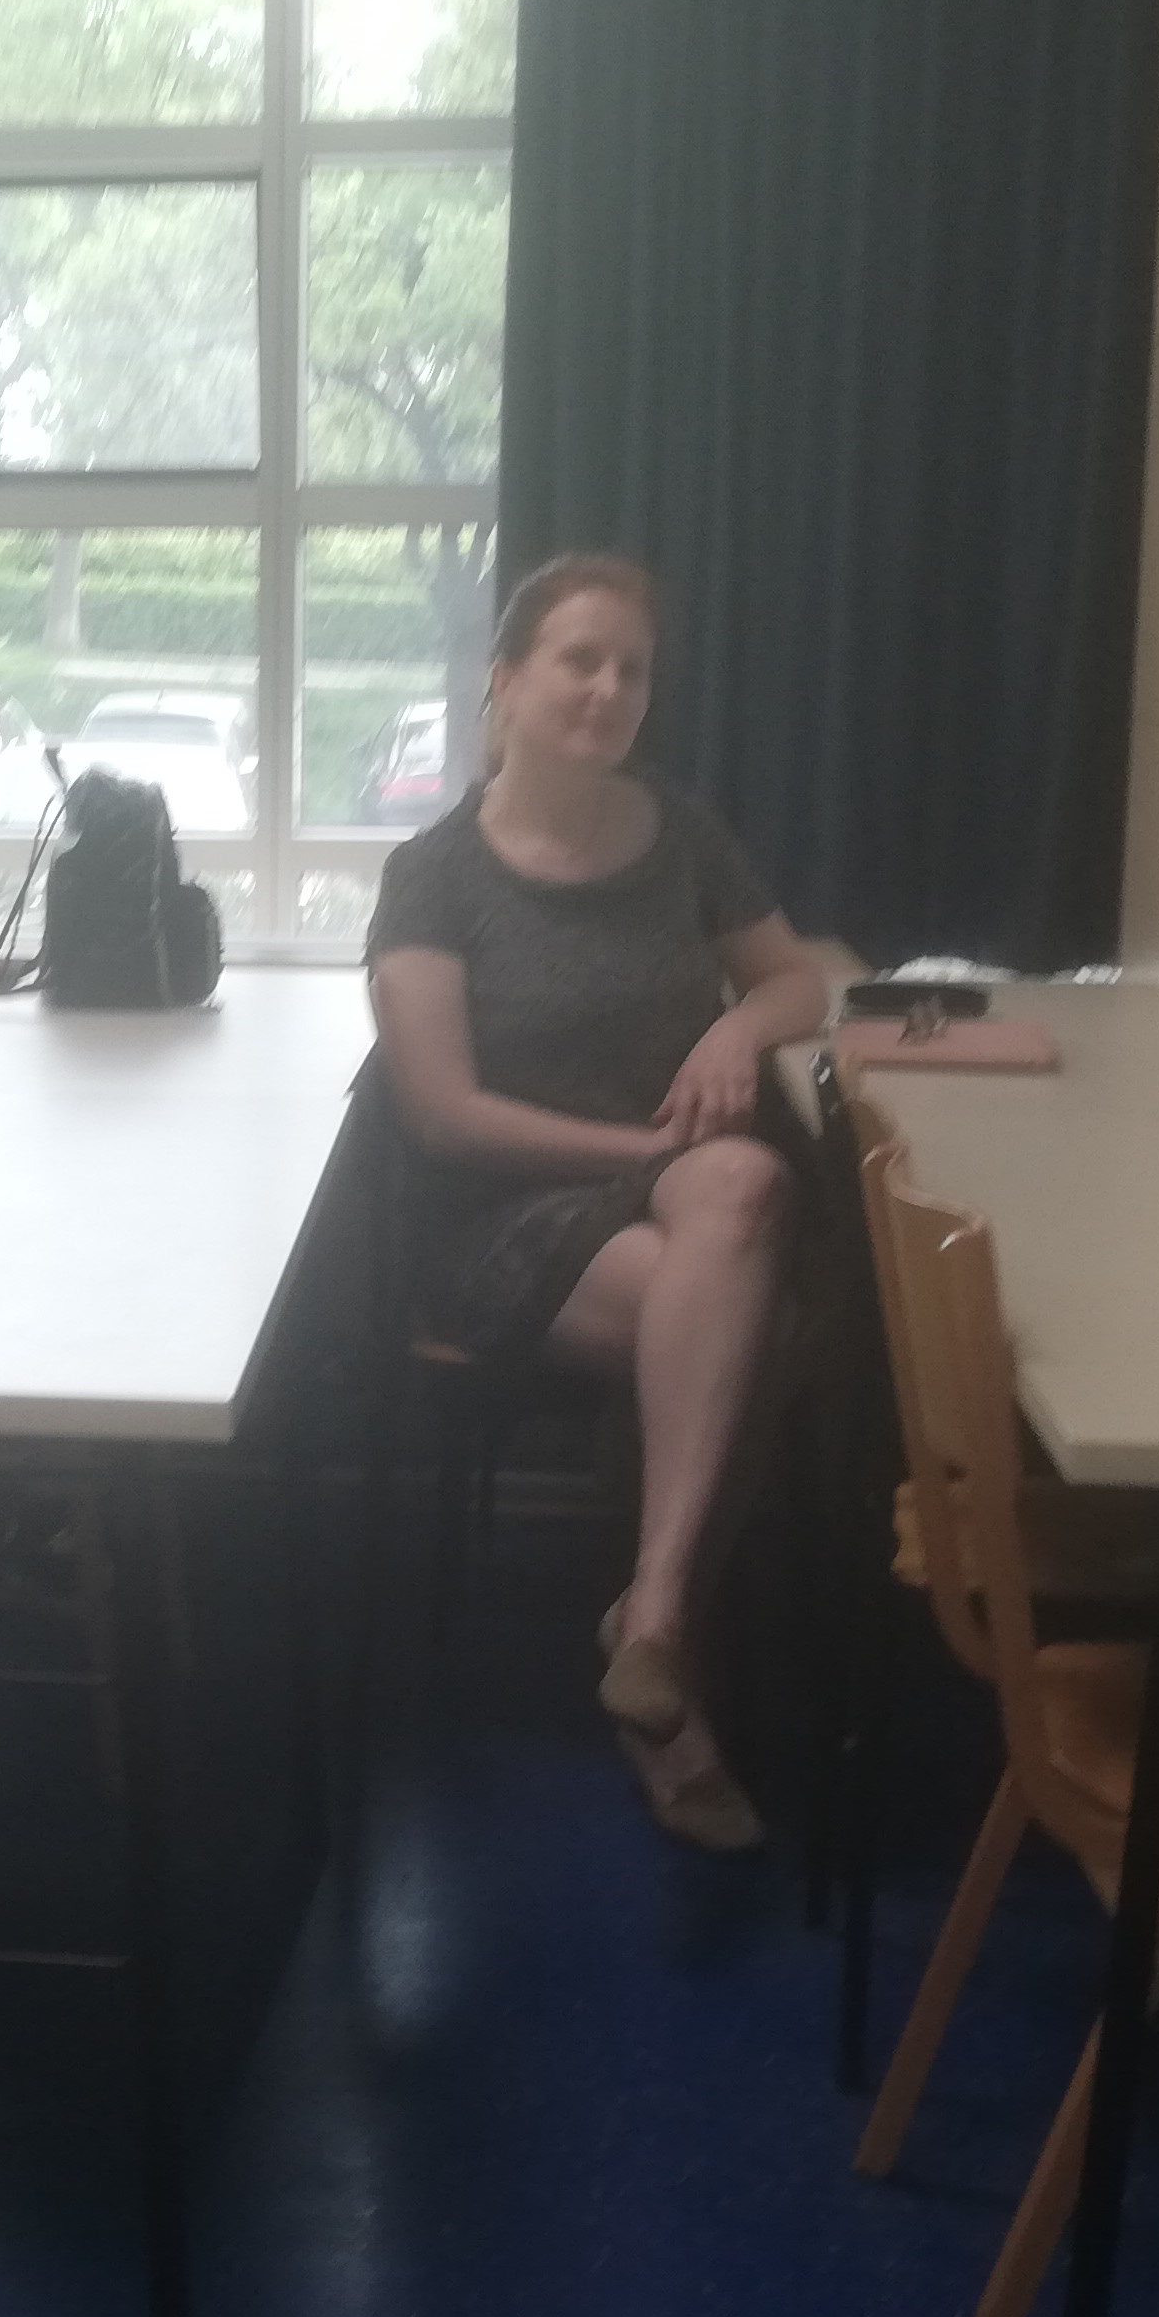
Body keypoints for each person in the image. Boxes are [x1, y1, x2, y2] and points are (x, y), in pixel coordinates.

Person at [363, 555, 860, 1853]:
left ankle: (650, 1617)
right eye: (579, 660)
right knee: (755, 1324)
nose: (608, 689)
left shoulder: (680, 831)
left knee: (744, 1183)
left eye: (631, 669)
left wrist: (734, 1031)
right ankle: (670, 1687)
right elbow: (443, 1114)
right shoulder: (433, 873)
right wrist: (631, 1151)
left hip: (681, 1192)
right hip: (504, 1214)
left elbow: (798, 981)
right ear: (506, 679)